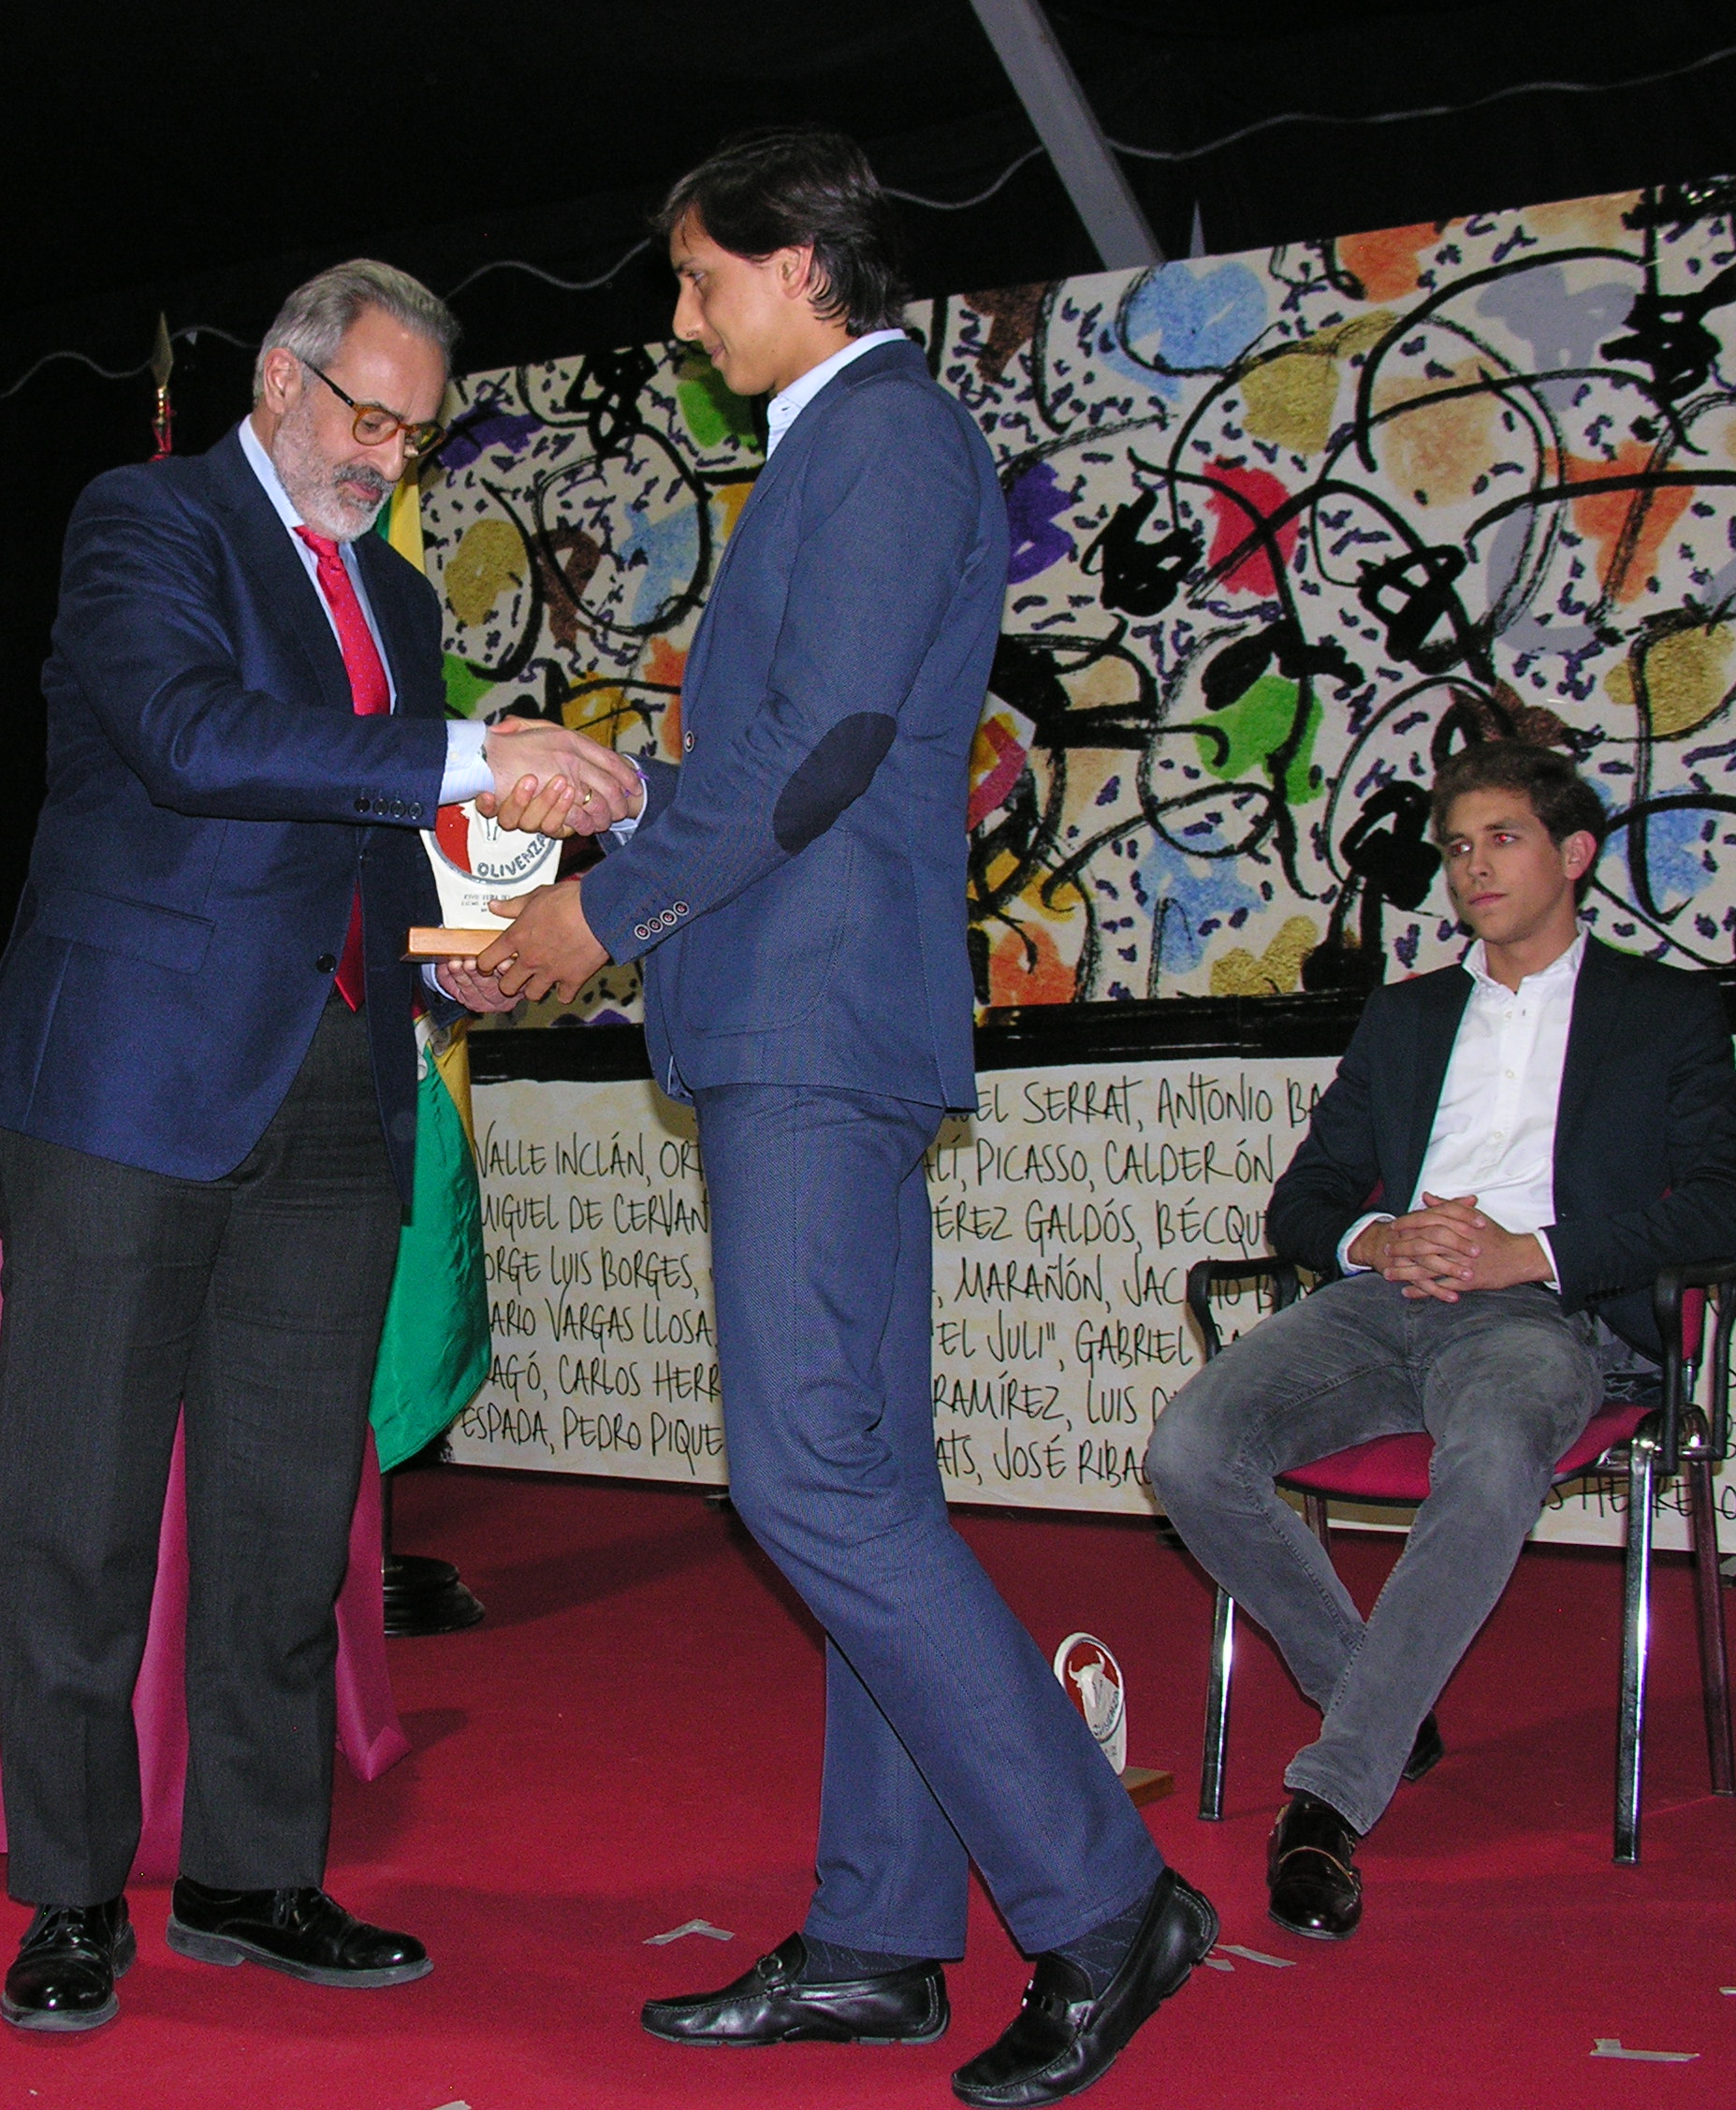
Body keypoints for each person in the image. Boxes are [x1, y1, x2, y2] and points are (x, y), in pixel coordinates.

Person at [479, 130, 1215, 2109]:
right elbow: (804, 762)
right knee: (860, 1478)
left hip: (812, 1027)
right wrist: (620, 808)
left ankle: (1102, 1899)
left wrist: (597, 916)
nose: (681, 314)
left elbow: (820, 756)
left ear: (802, 265)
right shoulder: (842, 444)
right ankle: (884, 1938)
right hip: (808, 1015)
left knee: (809, 1484)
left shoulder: (878, 437)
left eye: (700, 276)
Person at [0, 258, 639, 2032]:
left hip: (339, 1088)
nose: (383, 455)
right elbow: (194, 739)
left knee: (284, 1520)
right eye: (365, 414)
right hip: (124, 1091)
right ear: (277, 378)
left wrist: (456, 953)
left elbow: (370, 833)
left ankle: (252, 1876)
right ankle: (69, 1897)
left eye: (412, 433)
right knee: (78, 1514)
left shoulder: (396, 593)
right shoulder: (144, 522)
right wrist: (471, 752)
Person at [1143, 738, 1736, 1941]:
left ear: (1574, 854)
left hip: (1544, 1312)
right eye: (1460, 846)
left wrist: (1533, 1253)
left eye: (1503, 839)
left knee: (1488, 1462)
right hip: (1384, 1303)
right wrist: (1378, 1238)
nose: (1474, 865)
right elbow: (1304, 1202)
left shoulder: (1662, 1014)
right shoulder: (1410, 1015)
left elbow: (1724, 1209)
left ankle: (1329, 1800)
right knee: (1190, 1452)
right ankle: (1378, 1698)